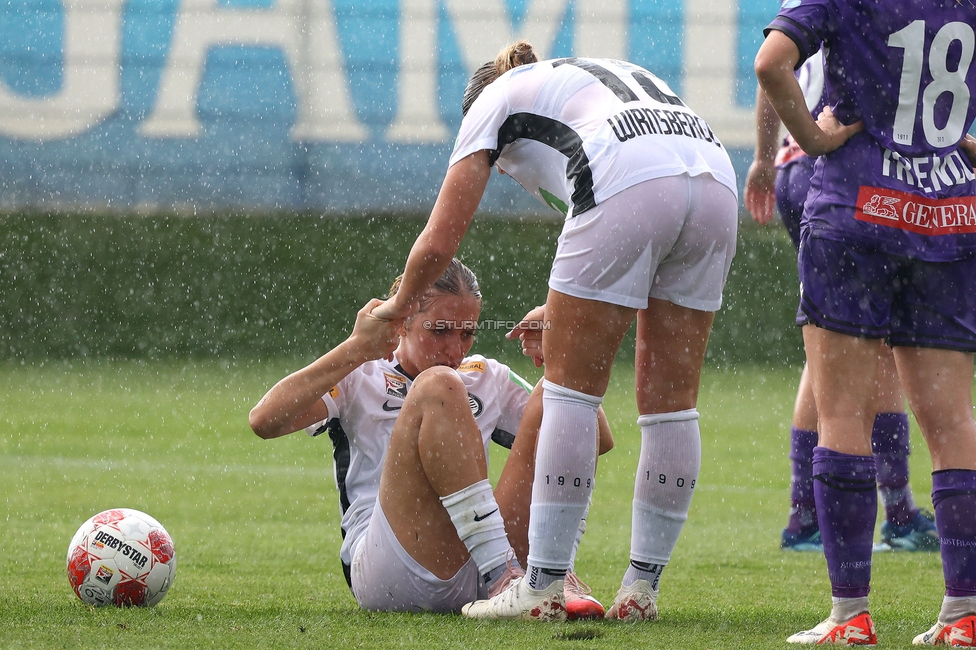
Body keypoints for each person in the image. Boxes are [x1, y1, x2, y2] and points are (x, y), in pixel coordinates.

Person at [370, 41, 738, 621]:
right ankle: (641, 591)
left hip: (624, 174)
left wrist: (398, 307)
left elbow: (440, 244)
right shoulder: (570, 80)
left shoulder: (489, 105)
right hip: (715, 177)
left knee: (570, 389)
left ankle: (540, 585)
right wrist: (565, 309)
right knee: (671, 402)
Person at [755, 0, 976, 644]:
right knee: (954, 420)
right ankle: (964, 612)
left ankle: (850, 615)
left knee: (842, 411)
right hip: (948, 217)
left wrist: (814, 137)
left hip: (857, 210)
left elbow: (772, 63)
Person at [248, 258, 613, 618]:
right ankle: (503, 575)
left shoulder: (487, 375)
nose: (455, 350)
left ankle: (553, 575)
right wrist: (356, 346)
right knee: (439, 383)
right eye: (439, 331)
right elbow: (264, 420)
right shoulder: (362, 374)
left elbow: (595, 434)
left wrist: (562, 353)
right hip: (393, 572)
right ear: (402, 322)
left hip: (483, 566)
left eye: (467, 333)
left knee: (554, 393)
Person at [744, 50, 938, 554]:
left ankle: (804, 516)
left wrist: (765, 159)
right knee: (880, 341)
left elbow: (770, 74)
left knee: (833, 342)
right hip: (839, 168)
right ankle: (897, 514)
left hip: (795, 168)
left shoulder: (811, 14)